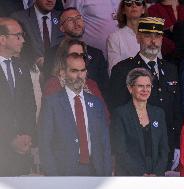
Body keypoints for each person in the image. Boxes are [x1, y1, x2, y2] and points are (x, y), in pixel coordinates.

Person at [109, 17, 182, 170]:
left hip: (164, 147)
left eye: (157, 36)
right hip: (134, 149)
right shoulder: (122, 69)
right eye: (148, 36)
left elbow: (176, 109)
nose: (153, 41)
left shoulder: (171, 69)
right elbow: (116, 111)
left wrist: (176, 145)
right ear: (138, 37)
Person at [39, 53, 112, 176]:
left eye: (83, 71)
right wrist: (54, 178)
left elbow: (104, 144)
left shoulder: (96, 103)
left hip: (95, 171)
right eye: (74, 71)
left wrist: (106, 175)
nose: (80, 76)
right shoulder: (51, 103)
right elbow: (45, 144)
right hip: (64, 173)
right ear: (62, 73)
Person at [111, 68, 169, 176]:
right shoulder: (120, 114)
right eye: (140, 86)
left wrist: (156, 173)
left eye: (148, 86)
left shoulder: (159, 113)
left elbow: (164, 149)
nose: (145, 90)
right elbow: (120, 151)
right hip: (130, 175)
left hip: (155, 176)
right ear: (130, 88)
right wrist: (140, 175)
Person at [43, 7, 109, 96]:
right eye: (70, 20)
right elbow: (48, 87)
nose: (76, 22)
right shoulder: (51, 54)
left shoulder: (97, 54)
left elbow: (104, 90)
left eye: (78, 18)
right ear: (61, 28)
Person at [0, 18, 36, 176]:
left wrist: (27, 135)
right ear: (2, 39)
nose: (23, 40)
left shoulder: (22, 67)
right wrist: (10, 139)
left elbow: (30, 105)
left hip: (21, 153)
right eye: (18, 36)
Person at [11, 0, 63, 70]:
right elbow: (13, 49)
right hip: (30, 71)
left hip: (60, 71)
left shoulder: (62, 17)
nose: (50, 0)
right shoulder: (19, 18)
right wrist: (33, 60)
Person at [107, 0, 147, 75]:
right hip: (127, 84)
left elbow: (159, 65)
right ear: (123, 10)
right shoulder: (114, 37)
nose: (134, 5)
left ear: (143, 9)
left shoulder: (153, 35)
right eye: (129, 3)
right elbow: (114, 71)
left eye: (138, 3)